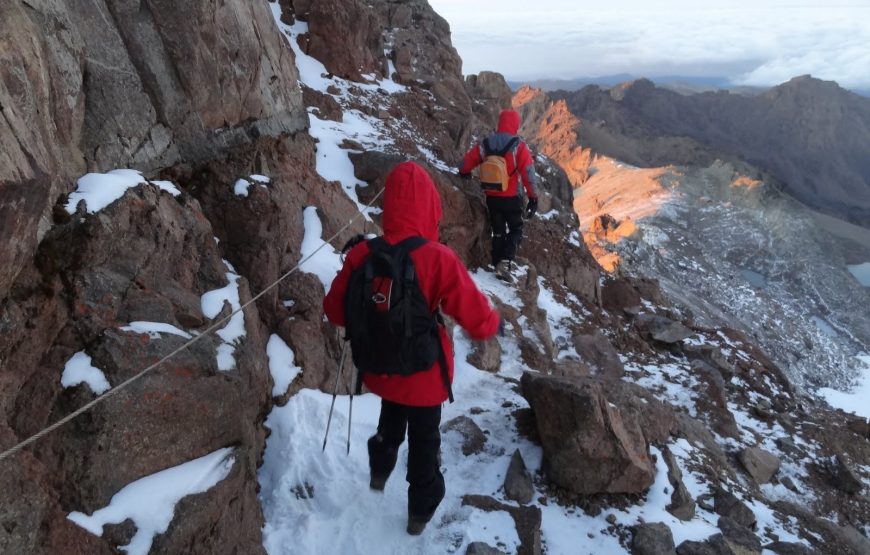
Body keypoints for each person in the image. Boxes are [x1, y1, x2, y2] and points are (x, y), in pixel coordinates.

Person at [323, 161, 501, 535]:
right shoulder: (437, 257)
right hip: (424, 377)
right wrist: (490, 324)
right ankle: (419, 513)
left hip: (381, 371)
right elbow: (476, 314)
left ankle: (379, 470)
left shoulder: (363, 255)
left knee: (391, 420)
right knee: (425, 440)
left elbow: (334, 311)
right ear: (430, 209)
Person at [459, 109, 539, 281]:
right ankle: (506, 261)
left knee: (498, 231)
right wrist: (533, 198)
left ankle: (496, 262)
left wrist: (464, 172)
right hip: (511, 198)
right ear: (515, 125)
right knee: (516, 228)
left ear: (500, 123)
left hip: (492, 196)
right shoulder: (519, 146)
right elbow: (528, 175)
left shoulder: (487, 144)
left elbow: (467, 161)